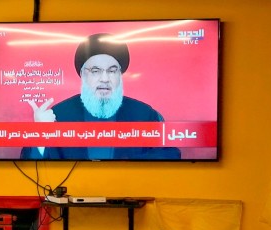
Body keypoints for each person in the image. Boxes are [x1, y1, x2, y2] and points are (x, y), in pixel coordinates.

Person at [21, 33, 181, 161]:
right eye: (96, 71)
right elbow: (30, 164)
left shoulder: (144, 114)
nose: (105, 78)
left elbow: (171, 154)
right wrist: (40, 133)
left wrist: (124, 166)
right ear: (83, 75)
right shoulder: (59, 115)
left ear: (120, 75)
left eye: (112, 71)